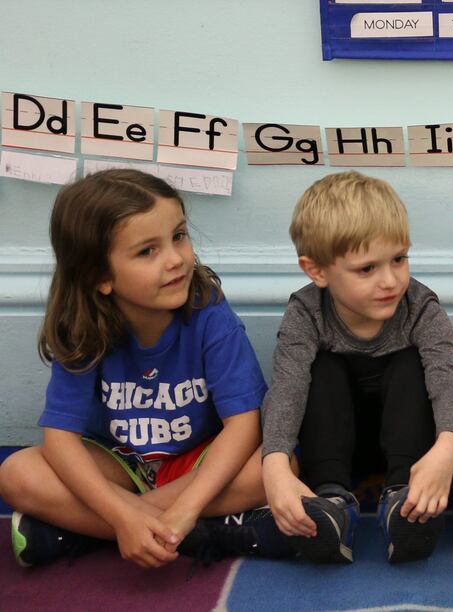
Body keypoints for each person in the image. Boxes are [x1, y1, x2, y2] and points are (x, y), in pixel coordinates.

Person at [0, 170, 290, 568]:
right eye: (147, 251)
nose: (176, 259)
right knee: (17, 474)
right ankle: (197, 534)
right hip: (119, 462)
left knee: (276, 464)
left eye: (179, 236)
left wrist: (181, 508)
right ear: (100, 276)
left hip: (196, 461)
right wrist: (122, 516)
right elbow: (60, 439)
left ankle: (94, 531)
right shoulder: (81, 327)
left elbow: (243, 426)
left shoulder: (210, 315)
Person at [260, 172, 453, 565]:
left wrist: (448, 447)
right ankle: (332, 503)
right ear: (317, 271)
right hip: (336, 447)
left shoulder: (419, 306)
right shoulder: (306, 312)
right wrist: (274, 465)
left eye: (398, 259)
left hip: (410, 454)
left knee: (411, 362)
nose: (390, 281)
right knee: (321, 368)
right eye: (366, 269)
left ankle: (404, 501)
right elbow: (287, 388)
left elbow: (449, 376)